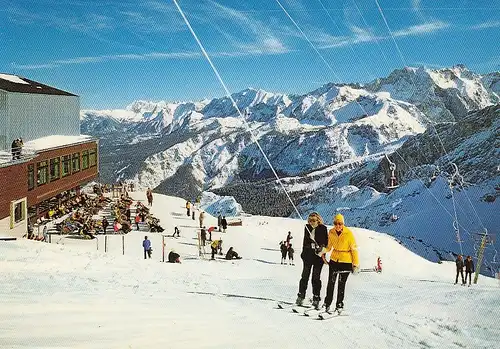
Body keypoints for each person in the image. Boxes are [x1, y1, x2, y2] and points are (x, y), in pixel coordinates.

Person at [322, 213, 359, 314]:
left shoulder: (349, 234)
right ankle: (327, 303)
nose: (338, 225)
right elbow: (329, 247)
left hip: (346, 261)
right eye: (336, 223)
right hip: (334, 260)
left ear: (343, 224)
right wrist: (322, 251)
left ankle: (339, 304)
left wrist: (355, 264)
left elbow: (354, 249)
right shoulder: (331, 232)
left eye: (340, 223)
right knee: (331, 282)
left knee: (341, 284)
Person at [296, 212, 328, 309]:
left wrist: (321, 247)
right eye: (310, 220)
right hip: (308, 256)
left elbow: (326, 242)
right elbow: (305, 241)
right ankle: (301, 296)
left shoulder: (323, 228)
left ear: (318, 220)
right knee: (304, 276)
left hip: (318, 257)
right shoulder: (307, 228)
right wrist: (305, 251)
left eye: (313, 220)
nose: (311, 222)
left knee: (315, 278)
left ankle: (316, 298)